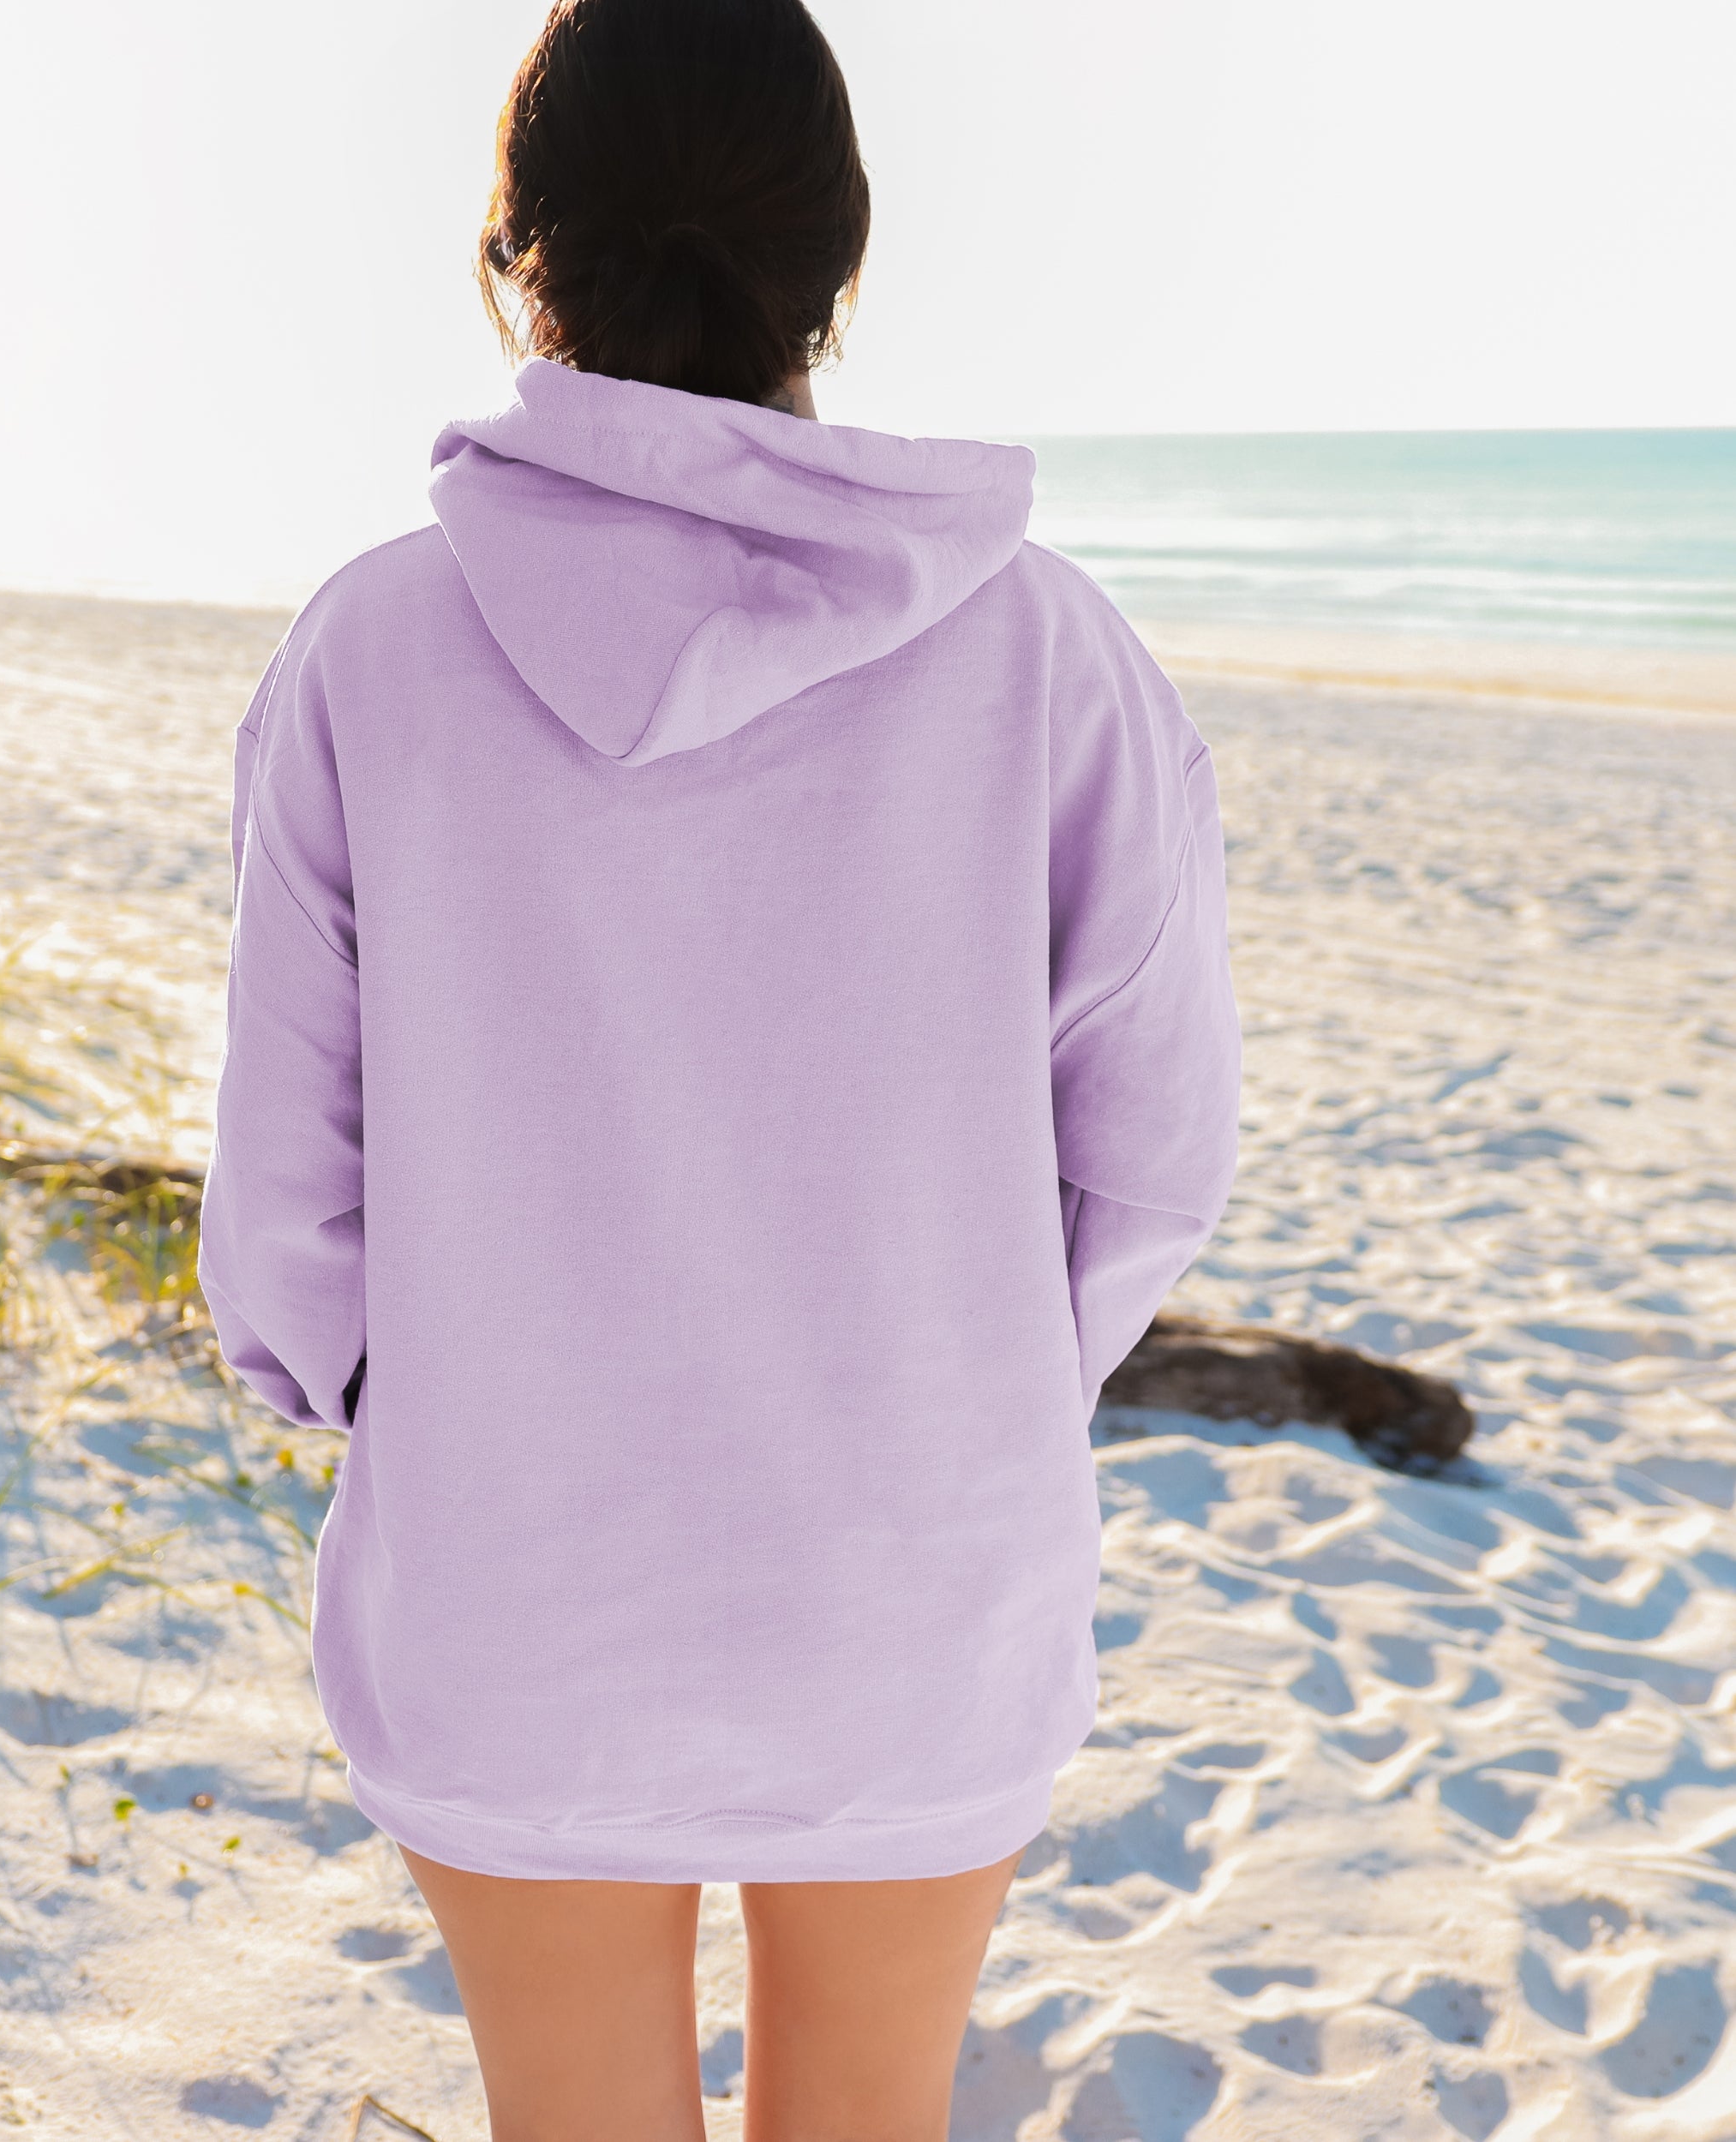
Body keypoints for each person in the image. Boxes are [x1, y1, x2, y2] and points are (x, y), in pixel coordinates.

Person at [196, 0, 1242, 2133]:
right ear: (834, 271)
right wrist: (968, 1385)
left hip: (513, 1578)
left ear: (519, 251)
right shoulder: (1049, 654)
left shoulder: (374, 649)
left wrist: (393, 1397)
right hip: (915, 1570)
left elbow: (288, 1211)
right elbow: (1152, 1154)